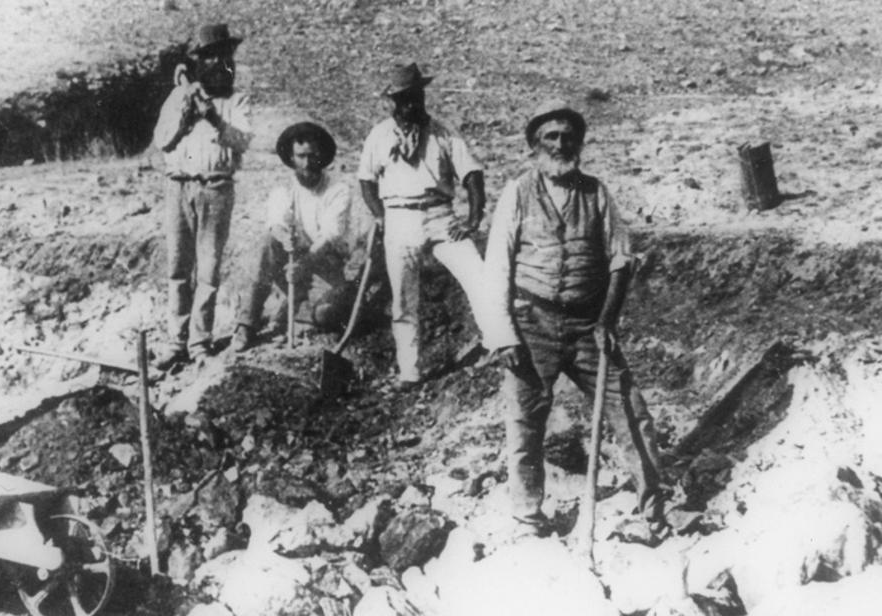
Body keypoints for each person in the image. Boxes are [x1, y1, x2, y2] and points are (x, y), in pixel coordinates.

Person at [481, 100, 665, 532]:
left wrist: (606, 321)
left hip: (588, 327)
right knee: (525, 421)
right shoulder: (517, 193)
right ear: (534, 145)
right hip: (532, 325)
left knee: (630, 410)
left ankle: (656, 507)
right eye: (551, 137)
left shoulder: (597, 193)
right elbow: (496, 267)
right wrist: (504, 336)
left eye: (568, 136)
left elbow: (621, 261)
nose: (560, 144)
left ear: (579, 142)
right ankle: (527, 513)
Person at [358, 62, 489, 389]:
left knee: (478, 275)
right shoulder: (379, 135)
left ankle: (496, 342)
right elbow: (366, 181)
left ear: (423, 95)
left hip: (440, 216)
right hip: (399, 218)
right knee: (404, 299)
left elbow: (472, 174)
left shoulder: (444, 132)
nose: (411, 105)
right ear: (392, 101)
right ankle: (410, 371)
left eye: (415, 97)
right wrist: (379, 214)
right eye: (403, 99)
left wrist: (473, 218)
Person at [151, 23, 253, 370]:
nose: (219, 64)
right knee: (179, 267)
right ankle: (175, 341)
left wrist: (213, 118)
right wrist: (186, 112)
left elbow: (243, 141)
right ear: (200, 62)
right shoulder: (180, 96)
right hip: (179, 186)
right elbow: (162, 140)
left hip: (216, 189)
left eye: (224, 58)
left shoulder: (237, 101)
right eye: (210, 57)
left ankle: (199, 341)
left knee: (208, 269)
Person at [232, 121, 353, 351]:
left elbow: (330, 236)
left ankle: (299, 308)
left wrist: (305, 264)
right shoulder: (284, 189)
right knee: (266, 243)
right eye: (300, 156)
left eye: (312, 155)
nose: (307, 163)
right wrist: (282, 235)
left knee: (326, 314)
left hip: (325, 265)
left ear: (322, 155)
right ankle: (246, 323)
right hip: (294, 264)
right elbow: (276, 220)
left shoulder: (338, 190)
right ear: (291, 158)